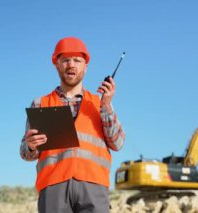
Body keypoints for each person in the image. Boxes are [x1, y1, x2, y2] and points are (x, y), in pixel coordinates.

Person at [20, 37, 125, 213]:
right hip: (53, 188)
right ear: (56, 64)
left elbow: (118, 143)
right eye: (65, 60)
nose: (71, 65)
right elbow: (26, 153)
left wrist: (106, 105)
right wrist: (30, 146)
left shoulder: (100, 102)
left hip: (94, 187)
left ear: (86, 66)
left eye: (77, 60)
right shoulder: (40, 103)